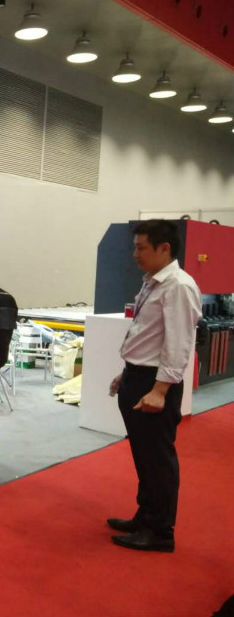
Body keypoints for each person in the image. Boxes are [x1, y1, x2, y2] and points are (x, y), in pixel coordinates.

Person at [107, 219, 201, 552]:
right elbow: (146, 336)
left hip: (154, 383)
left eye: (141, 248)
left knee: (157, 459)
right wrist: (127, 373)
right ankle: (145, 516)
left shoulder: (178, 286)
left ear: (165, 248)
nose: (135, 254)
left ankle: (160, 531)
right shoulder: (153, 282)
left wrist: (159, 390)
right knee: (144, 455)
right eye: (135, 247)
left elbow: (178, 344)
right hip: (139, 376)